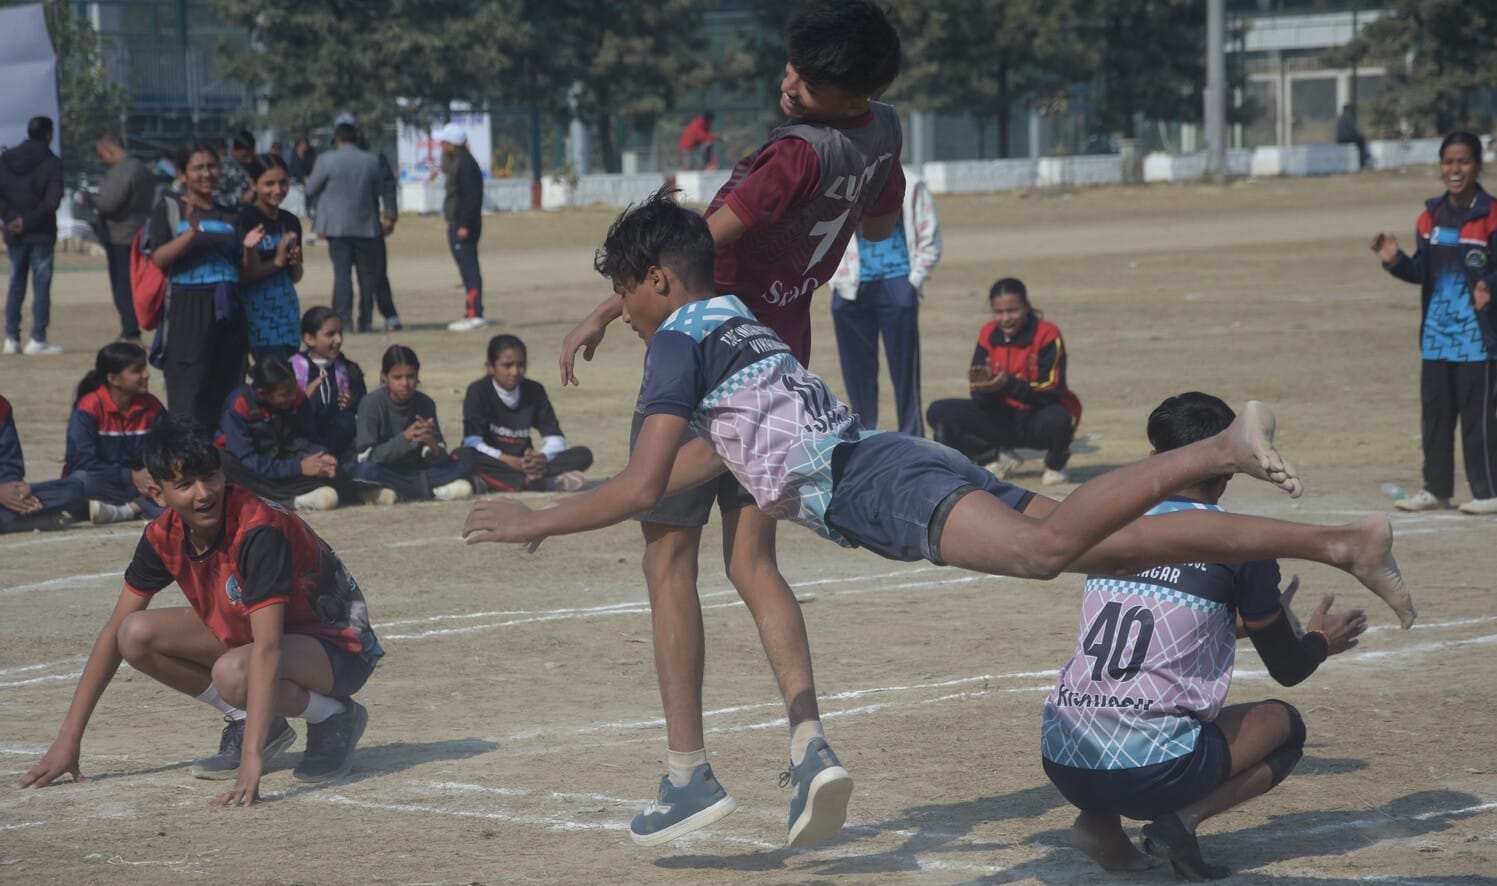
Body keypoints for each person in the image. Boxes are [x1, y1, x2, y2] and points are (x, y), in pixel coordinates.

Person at [507, 191, 1414, 846]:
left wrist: (537, 520)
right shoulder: (737, 316)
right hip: (899, 454)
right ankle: (1340, 540)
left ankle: (1215, 452)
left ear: (657, 282)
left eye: (623, 296)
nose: (620, 316)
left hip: (873, 487)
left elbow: (640, 486)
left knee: (1045, 551)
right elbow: (727, 449)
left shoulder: (675, 340)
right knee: (1116, 543)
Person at [557, 0, 906, 849]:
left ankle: (687, 776)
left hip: (708, 361)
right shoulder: (882, 131)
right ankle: (809, 743)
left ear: (841, 90)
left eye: (807, 81)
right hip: (777, 367)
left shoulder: (791, 153)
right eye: (791, 69)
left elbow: (693, 250)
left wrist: (608, 306)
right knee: (753, 563)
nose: (788, 84)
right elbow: (883, 223)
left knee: (665, 555)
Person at [1040, 392, 1369, 880]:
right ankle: (1180, 823)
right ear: (1230, 468)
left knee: (1111, 704)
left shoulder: (1110, 523)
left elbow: (1163, 619)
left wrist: (1251, 627)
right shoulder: (1243, 544)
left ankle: (1098, 823)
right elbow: (1289, 669)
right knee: (1287, 729)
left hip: (1062, 753)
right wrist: (1320, 639)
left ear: (1154, 461)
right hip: (1149, 770)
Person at [20, 416, 381, 801]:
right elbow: (112, 632)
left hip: (338, 646)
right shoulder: (163, 535)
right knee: (133, 634)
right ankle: (253, 720)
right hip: (264, 635)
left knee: (233, 672)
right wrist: (68, 739)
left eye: (210, 477)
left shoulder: (259, 530)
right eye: (185, 484)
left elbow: (269, 648)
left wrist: (251, 761)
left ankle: (333, 716)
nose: (204, 493)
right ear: (158, 495)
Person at [1371, 130, 1497, 515]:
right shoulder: (1430, 217)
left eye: (1463, 162)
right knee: (1436, 418)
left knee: (1478, 419)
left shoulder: (1491, 216)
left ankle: (1488, 492)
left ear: (1477, 166)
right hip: (1437, 337)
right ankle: (1436, 489)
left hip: (1478, 339)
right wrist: (1395, 260)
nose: (1454, 170)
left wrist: (1489, 286)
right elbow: (1421, 272)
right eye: (1448, 162)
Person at [927, 278, 1082, 486]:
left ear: (1026, 307)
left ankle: (1056, 464)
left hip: (1036, 417)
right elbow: (979, 396)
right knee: (939, 412)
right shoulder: (987, 334)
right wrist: (986, 389)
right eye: (999, 312)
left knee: (1061, 418)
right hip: (1002, 416)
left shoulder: (1047, 334)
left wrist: (1007, 384)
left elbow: (1051, 391)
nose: (1006, 318)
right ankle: (992, 457)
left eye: (1013, 310)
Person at [829, 173, 941, 436]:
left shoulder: (910, 182)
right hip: (850, 285)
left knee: (905, 370)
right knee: (857, 373)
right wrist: (835, 277)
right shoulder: (840, 181)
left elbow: (929, 231)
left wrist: (914, 279)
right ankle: (866, 438)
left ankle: (913, 437)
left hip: (898, 280)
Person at [147, 142, 248, 430]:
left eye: (212, 166)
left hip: (228, 308)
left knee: (228, 386)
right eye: (198, 167)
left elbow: (241, 264)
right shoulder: (168, 208)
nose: (207, 173)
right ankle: (187, 465)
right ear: (182, 173)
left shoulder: (231, 213)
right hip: (187, 307)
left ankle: (222, 465)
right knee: (188, 388)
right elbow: (160, 258)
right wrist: (191, 232)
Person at [460, 334, 592, 492]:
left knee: (583, 454)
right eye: (507, 365)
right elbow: (472, 441)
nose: (515, 372)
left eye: (521, 365)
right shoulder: (478, 391)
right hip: (496, 461)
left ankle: (528, 478)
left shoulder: (534, 390)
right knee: (463, 456)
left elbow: (556, 438)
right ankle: (535, 482)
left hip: (528, 462)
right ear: (490, 367)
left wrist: (541, 458)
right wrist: (508, 460)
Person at [216, 355, 345, 512]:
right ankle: (289, 500)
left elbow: (308, 437)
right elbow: (247, 460)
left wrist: (321, 458)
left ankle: (281, 496)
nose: (292, 397)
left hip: (280, 461)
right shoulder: (239, 405)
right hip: (250, 471)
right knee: (225, 463)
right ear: (263, 394)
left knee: (337, 474)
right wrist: (298, 468)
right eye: (285, 394)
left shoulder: (296, 397)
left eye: (293, 388)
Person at [350, 344, 474, 504]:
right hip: (386, 470)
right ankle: (428, 491)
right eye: (397, 377)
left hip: (417, 471)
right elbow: (366, 457)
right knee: (364, 472)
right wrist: (406, 438)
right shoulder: (371, 404)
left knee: (466, 460)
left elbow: (439, 456)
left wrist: (432, 444)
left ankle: (403, 492)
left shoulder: (425, 403)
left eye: (410, 376)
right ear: (385, 377)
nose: (405, 383)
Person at [65, 342, 168, 525]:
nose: (146, 375)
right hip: (106, 483)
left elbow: (168, 449)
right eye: (137, 370)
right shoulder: (90, 407)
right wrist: (129, 476)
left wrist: (153, 475)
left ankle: (130, 509)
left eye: (144, 368)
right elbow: (81, 460)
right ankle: (140, 507)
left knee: (178, 486)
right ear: (113, 379)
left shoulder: (152, 406)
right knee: (80, 482)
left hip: (145, 485)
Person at [305, 122, 384, 332]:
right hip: (366, 225)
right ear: (356, 138)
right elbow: (378, 190)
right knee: (366, 276)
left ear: (337, 139)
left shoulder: (326, 160)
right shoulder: (371, 160)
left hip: (337, 227)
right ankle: (365, 320)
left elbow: (311, 187)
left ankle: (344, 320)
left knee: (342, 275)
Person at [0, 116, 63, 356]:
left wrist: (10, 219)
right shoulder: (51, 163)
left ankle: (11, 337)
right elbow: (52, 201)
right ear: (48, 134)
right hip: (41, 232)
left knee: (16, 284)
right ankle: (37, 338)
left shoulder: (6, 159)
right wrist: (27, 221)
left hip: (14, 233)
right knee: (41, 285)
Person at [238, 154, 304, 363]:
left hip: (287, 311)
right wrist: (277, 261)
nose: (277, 190)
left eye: (283, 182)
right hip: (257, 312)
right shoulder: (245, 218)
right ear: (253, 184)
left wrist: (293, 262)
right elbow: (244, 275)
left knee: (289, 374)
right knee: (270, 376)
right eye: (269, 183)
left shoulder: (290, 221)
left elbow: (295, 276)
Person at [91, 134, 156, 343]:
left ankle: (130, 330)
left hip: (120, 235)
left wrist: (93, 203)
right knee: (136, 282)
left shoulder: (121, 171)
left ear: (109, 150)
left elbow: (109, 203)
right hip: (140, 232)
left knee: (123, 286)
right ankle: (130, 328)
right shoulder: (143, 168)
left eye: (103, 155)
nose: (104, 160)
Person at [0, 394, 85, 533]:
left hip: (4, 491)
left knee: (74, 488)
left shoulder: (1, 406)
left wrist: (19, 495)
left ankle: (16, 517)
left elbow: (9, 463)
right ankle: (19, 522)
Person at [290, 306, 366, 461]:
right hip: (302, 447)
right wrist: (301, 400)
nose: (338, 340)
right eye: (330, 334)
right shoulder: (291, 371)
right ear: (309, 339)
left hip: (341, 447)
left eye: (340, 333)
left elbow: (363, 411)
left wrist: (350, 406)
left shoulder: (350, 370)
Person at [438, 123, 487, 332]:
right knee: (466, 269)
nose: (440, 145)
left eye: (444, 142)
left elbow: (471, 197)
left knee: (469, 270)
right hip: (457, 224)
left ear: (452, 144)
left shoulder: (465, 164)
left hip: (463, 226)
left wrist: (464, 224)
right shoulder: (458, 161)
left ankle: (474, 314)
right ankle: (471, 312)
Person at [215, 129, 256, 207]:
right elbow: (215, 198)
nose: (249, 160)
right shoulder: (222, 168)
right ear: (234, 150)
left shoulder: (256, 165)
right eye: (245, 156)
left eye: (252, 155)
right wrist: (241, 199)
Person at [1337, 105, 1370, 171]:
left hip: (1340, 139)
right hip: (1346, 138)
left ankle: (1364, 155)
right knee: (1361, 140)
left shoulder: (1340, 117)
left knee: (1359, 139)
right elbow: (1351, 129)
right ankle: (1363, 161)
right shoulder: (1348, 116)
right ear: (1349, 110)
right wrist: (1358, 134)